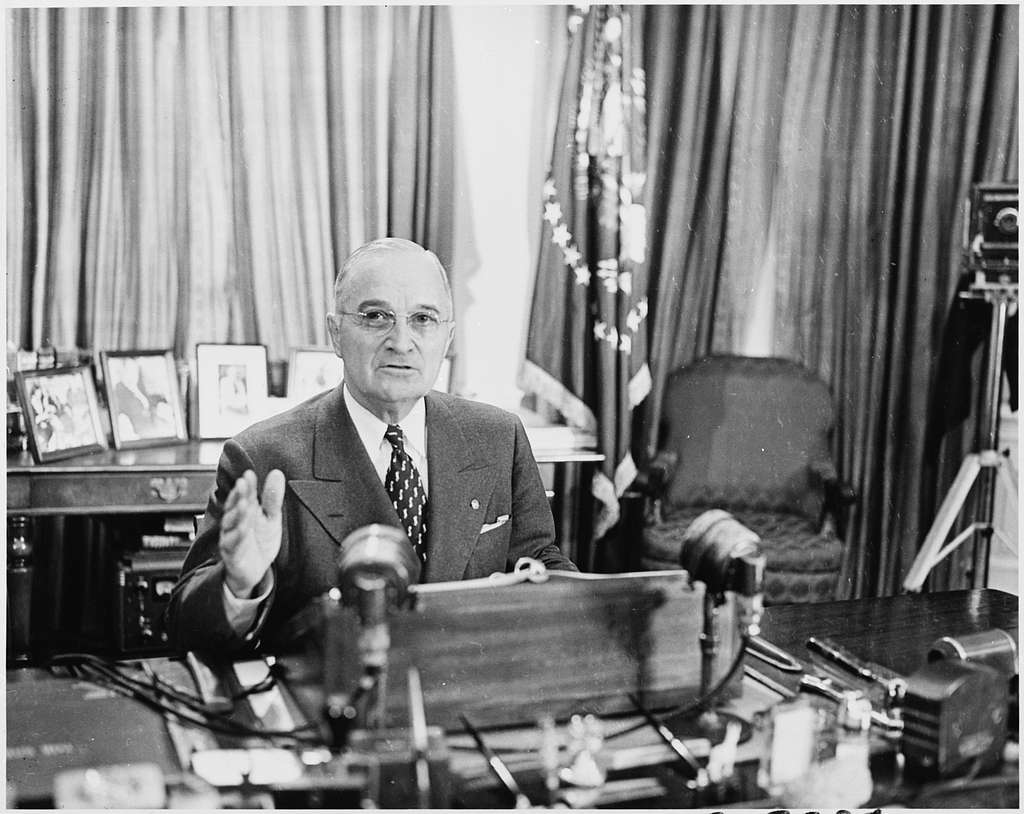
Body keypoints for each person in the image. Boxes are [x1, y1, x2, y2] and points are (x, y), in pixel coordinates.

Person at [167, 238, 576, 654]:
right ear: (336, 334)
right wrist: (238, 585)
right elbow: (185, 630)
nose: (401, 341)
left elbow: (542, 568)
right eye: (376, 316)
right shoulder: (262, 456)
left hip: (466, 695)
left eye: (423, 318)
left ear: (447, 338)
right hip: (331, 703)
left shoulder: (497, 436)